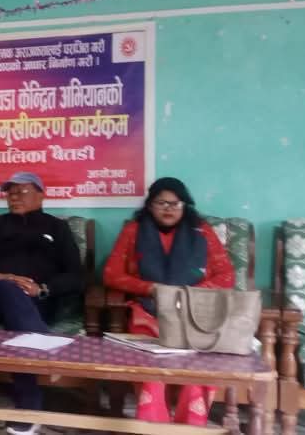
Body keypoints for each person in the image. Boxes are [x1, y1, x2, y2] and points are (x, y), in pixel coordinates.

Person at [104, 177, 235, 426]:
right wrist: (150, 288)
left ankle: (191, 427)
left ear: (185, 205)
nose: (168, 209)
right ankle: (154, 428)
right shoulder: (133, 230)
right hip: (148, 313)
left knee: (198, 369)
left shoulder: (202, 231)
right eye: (161, 203)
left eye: (175, 204)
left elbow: (226, 276)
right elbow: (111, 274)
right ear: (150, 205)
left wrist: (189, 292)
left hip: (194, 314)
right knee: (150, 369)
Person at [0, 171, 82, 435]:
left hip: (40, 303)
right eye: (10, 192)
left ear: (41, 195)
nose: (14, 197)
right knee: (10, 289)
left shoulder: (57, 228)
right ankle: (42, 356)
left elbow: (77, 275)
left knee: (20, 320)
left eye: (22, 191)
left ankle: (29, 401)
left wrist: (43, 289)